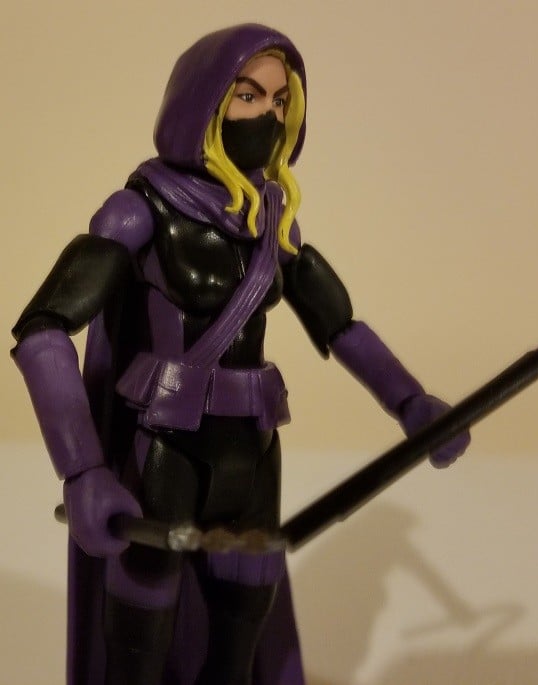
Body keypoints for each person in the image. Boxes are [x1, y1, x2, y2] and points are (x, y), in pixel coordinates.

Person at [12, 23, 470, 685]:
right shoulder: (138, 212)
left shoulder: (271, 222)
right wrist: (82, 469)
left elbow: (340, 324)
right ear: (203, 103)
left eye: (281, 101)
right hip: (164, 454)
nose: (268, 115)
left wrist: (411, 403)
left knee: (240, 635)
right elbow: (44, 330)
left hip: (253, 453)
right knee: (140, 636)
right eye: (248, 95)